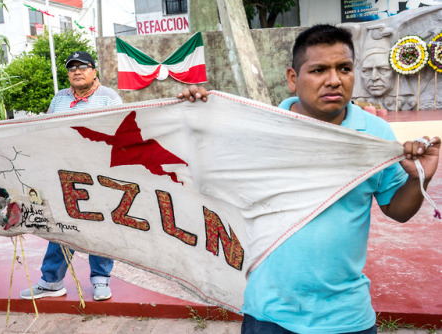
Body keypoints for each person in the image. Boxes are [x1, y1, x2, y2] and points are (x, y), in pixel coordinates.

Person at [179, 24, 440, 334]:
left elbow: (397, 210)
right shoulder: (260, 130)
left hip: (347, 317)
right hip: (269, 315)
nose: (334, 80)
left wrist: (417, 179)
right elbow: (202, 176)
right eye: (318, 70)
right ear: (293, 78)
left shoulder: (374, 134)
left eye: (344, 68)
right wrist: (191, 117)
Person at [20, 51, 122, 302]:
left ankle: (100, 279)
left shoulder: (109, 98)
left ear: (93, 71)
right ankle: (51, 281)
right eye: (71, 68)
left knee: (99, 225)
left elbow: (120, 132)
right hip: (64, 174)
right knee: (63, 225)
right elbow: (47, 129)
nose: (76, 71)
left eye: (82, 66)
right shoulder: (59, 98)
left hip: (98, 175)